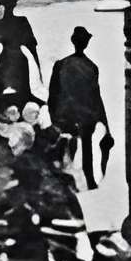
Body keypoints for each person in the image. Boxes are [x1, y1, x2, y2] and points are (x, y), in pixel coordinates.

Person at [49, 27, 109, 187]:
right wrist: (104, 123)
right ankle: (89, 180)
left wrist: (53, 116)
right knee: (86, 147)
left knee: (62, 146)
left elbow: (53, 94)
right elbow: (96, 97)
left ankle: (60, 179)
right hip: (85, 117)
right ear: (86, 43)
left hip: (64, 115)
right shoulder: (92, 67)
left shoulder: (61, 64)